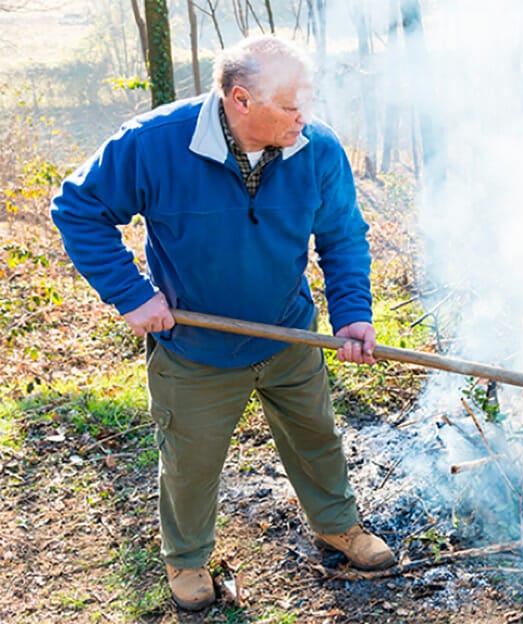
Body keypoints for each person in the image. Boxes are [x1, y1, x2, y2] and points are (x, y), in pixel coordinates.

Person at [51, 35, 394, 611]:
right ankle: (187, 559)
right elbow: (77, 209)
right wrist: (131, 295)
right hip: (195, 347)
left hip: (289, 332)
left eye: (307, 100)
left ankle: (337, 526)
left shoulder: (317, 148)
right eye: (290, 105)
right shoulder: (154, 144)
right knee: (190, 462)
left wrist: (353, 314)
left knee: (316, 438)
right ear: (240, 99)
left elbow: (342, 237)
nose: (303, 115)